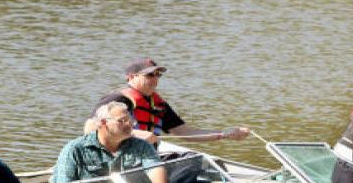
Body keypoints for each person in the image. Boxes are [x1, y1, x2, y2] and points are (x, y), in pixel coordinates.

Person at [92, 58, 251, 146]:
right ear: (131, 77)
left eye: (158, 74)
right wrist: (134, 133)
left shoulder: (157, 104)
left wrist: (224, 134)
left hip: (147, 157)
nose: (155, 79)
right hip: (118, 156)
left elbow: (186, 133)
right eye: (149, 75)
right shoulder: (116, 100)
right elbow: (90, 127)